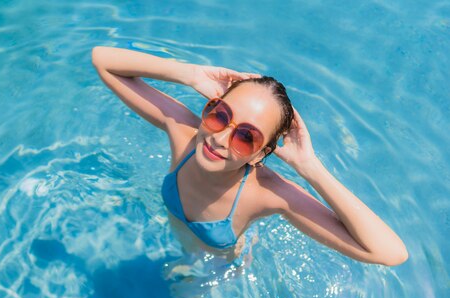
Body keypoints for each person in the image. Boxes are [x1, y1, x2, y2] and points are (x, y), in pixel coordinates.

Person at [91, 46, 408, 266]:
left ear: (260, 155)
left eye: (246, 136)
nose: (221, 138)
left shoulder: (268, 194)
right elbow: (102, 60)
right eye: (220, 115)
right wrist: (191, 75)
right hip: (172, 232)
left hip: (215, 265)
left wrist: (309, 167)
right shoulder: (184, 133)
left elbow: (389, 253)